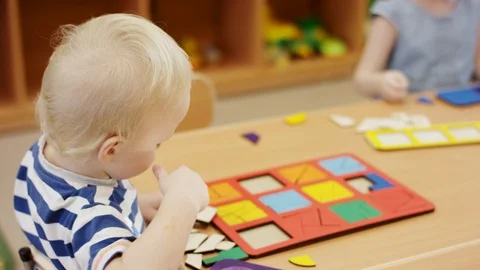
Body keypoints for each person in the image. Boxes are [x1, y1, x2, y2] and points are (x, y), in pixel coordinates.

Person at [13, 13, 209, 270]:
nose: (160, 150)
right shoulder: (90, 215)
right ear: (112, 149)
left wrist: (130, 207)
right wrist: (182, 204)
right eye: (158, 143)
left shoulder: (46, 153)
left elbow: (67, 226)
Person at [354, 0, 480, 102]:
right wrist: (382, 83)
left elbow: (477, 63)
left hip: (459, 105)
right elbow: (362, 79)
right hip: (406, 108)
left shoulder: (474, 6)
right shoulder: (393, 9)